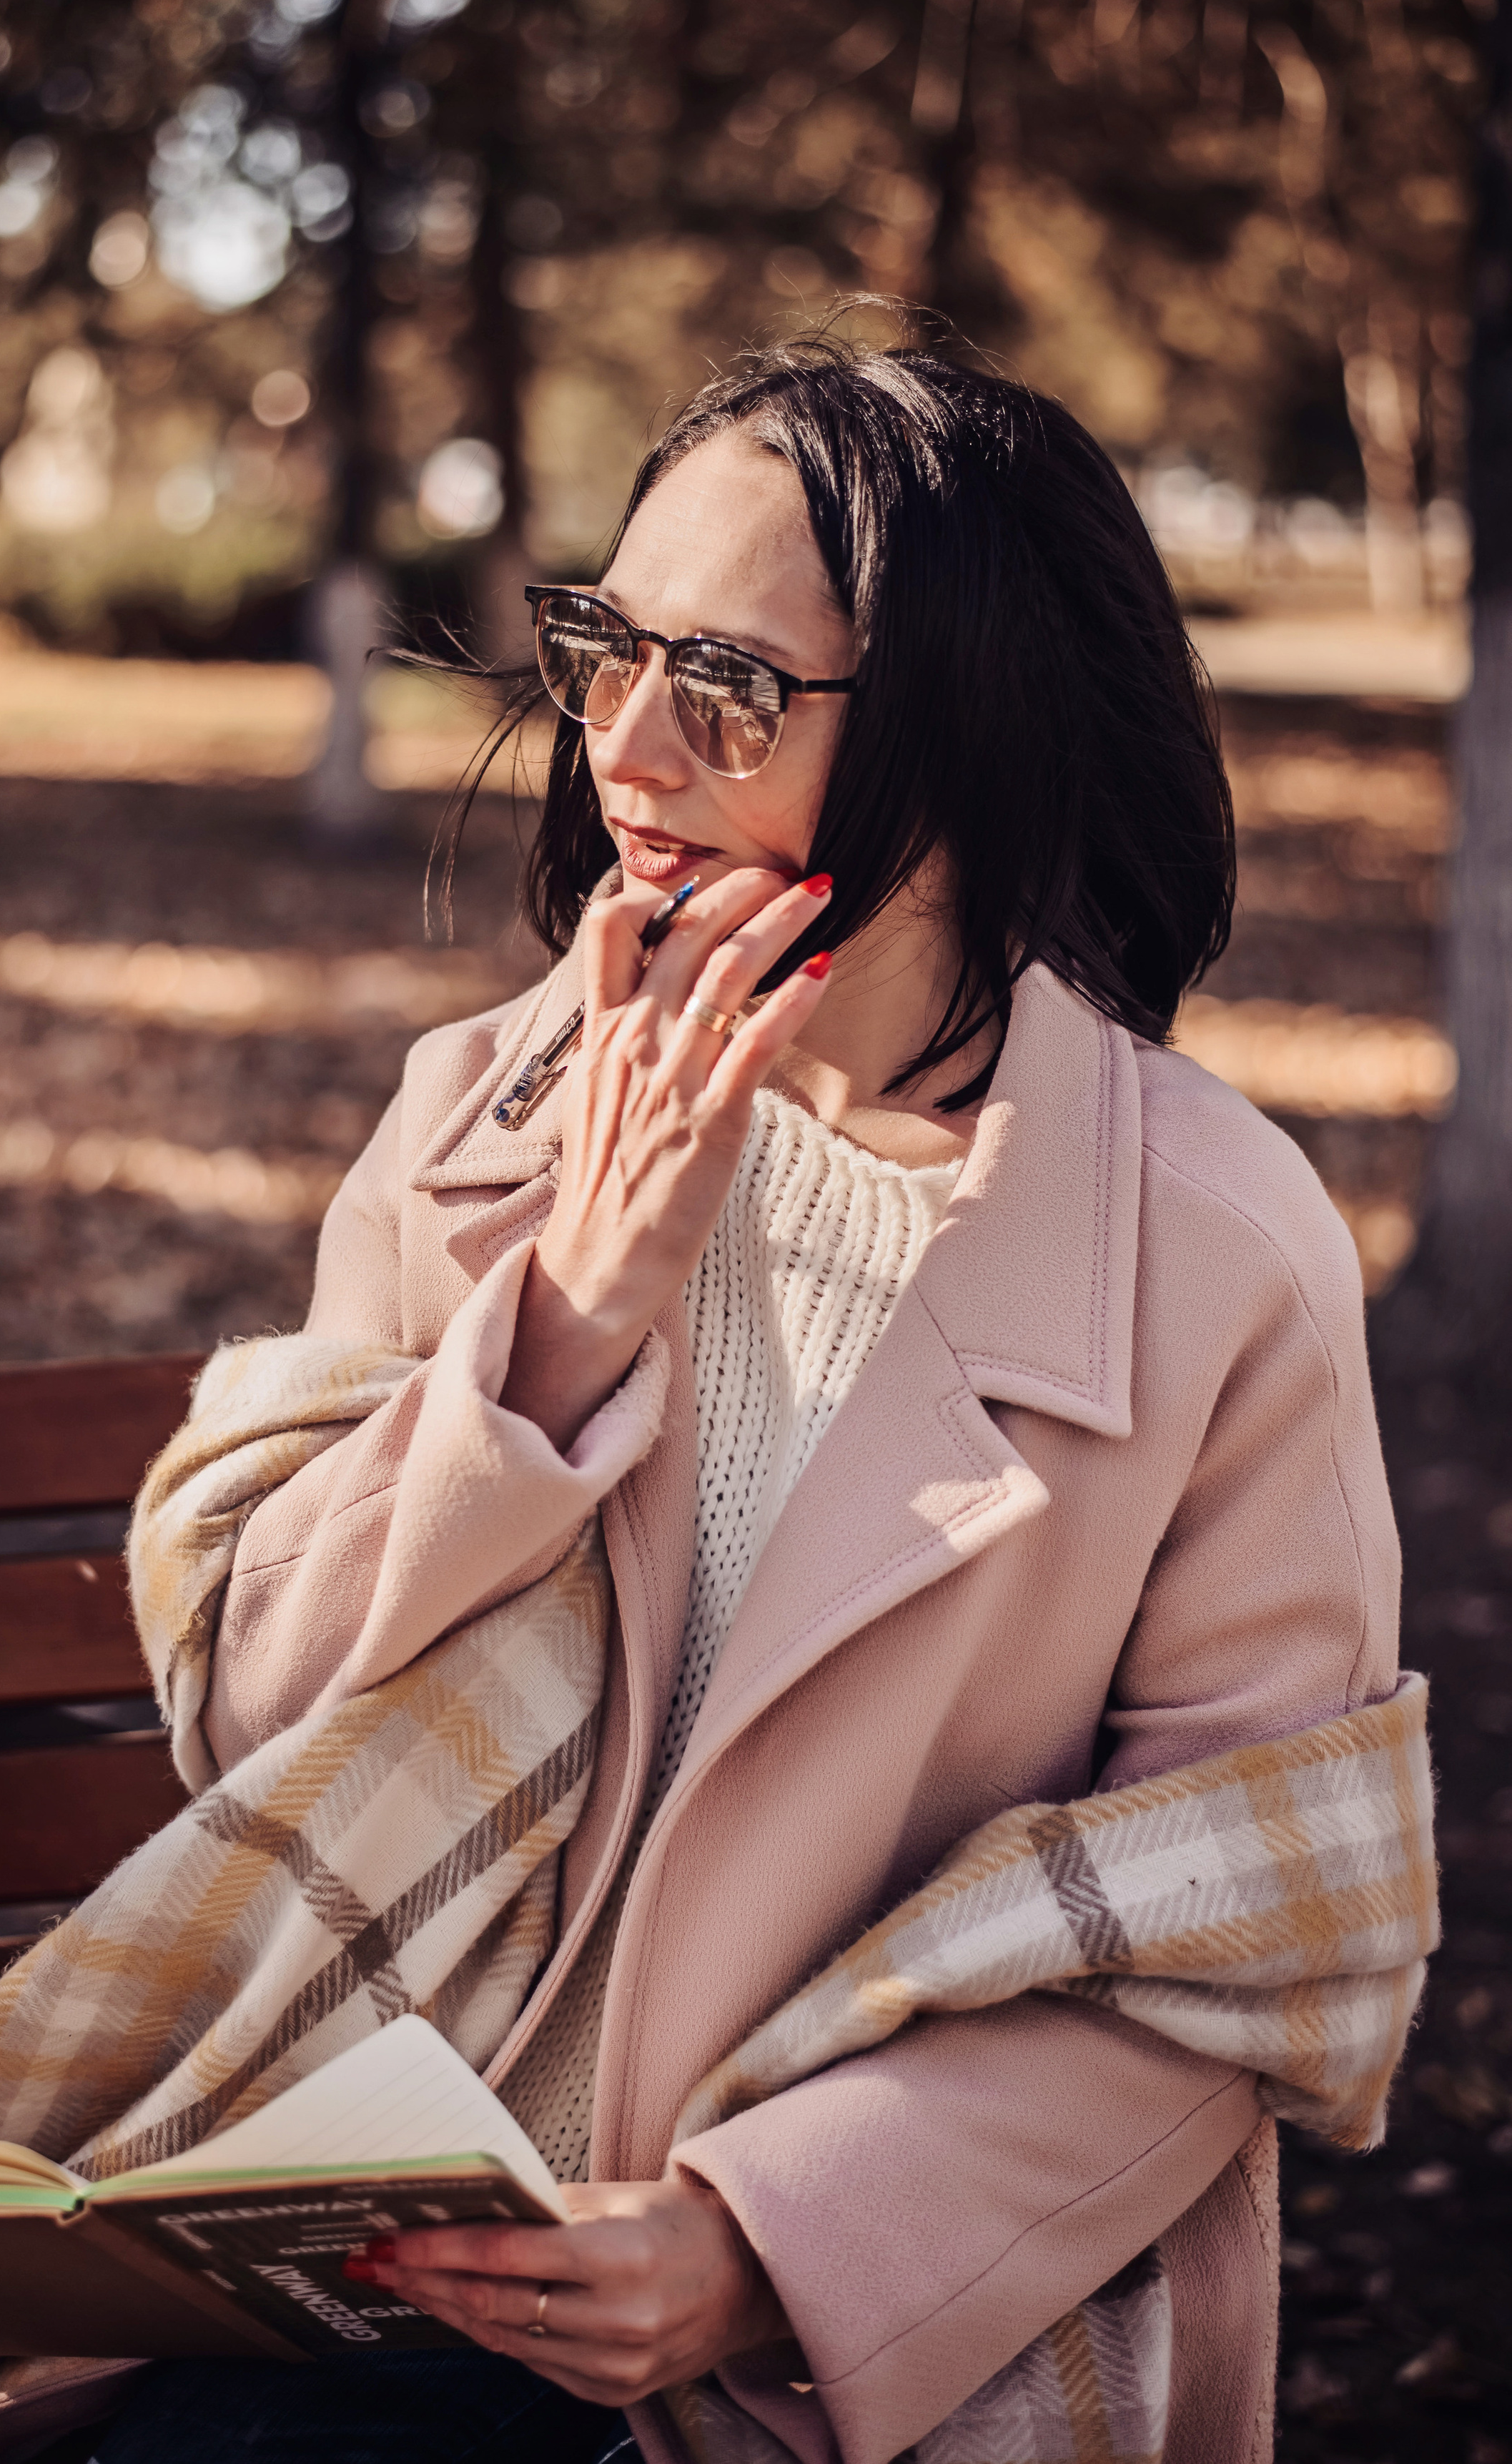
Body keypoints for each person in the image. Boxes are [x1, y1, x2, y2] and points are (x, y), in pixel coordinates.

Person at [95, 340, 1402, 2464]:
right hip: (370, 2267)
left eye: (726, 682)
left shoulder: (1213, 1249)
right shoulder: (477, 1121)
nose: (619, 740)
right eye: (606, 646)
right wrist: (565, 1321)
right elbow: (257, 1713)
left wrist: (760, 2244)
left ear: (975, 732)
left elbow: (1231, 1951)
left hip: (854, 2347)